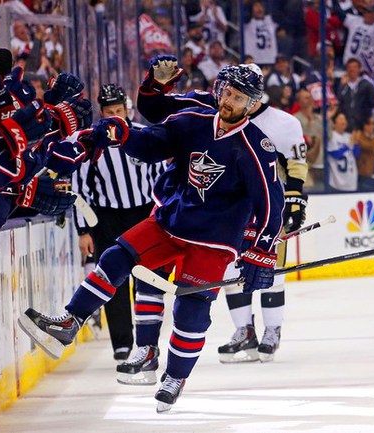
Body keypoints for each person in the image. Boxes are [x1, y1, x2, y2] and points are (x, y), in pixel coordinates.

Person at [19, 64, 284, 412]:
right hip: (171, 222)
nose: (229, 101)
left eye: (239, 98)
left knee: (191, 309)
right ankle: (71, 321)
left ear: (251, 105)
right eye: (228, 93)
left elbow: (271, 204)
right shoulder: (193, 121)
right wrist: (123, 133)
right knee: (115, 257)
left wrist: (261, 250)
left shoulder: (256, 146)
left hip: (214, 242)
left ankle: (175, 376)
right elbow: (152, 143)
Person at [131, 57, 307, 365]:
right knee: (228, 272)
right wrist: (154, 87)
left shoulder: (283, 123)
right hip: (223, 213)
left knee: (268, 270)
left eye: (243, 92)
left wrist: (294, 201)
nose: (233, 96)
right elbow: (156, 110)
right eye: (230, 89)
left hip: (262, 209)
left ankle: (272, 329)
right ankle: (244, 330)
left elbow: (295, 165)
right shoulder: (208, 106)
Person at [72, 84, 166, 362]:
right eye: (109, 111)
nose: (115, 116)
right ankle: (122, 343)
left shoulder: (144, 135)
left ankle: (147, 341)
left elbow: (162, 178)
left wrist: (163, 217)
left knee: (147, 280)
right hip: (107, 219)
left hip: (145, 216)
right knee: (112, 279)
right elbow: (80, 189)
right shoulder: (91, 141)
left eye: (119, 110)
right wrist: (83, 230)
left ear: (127, 110)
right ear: (101, 112)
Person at [327, 112, 359, 192]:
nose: (343, 121)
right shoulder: (332, 136)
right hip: (337, 182)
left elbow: (356, 154)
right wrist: (348, 146)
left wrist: (356, 143)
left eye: (344, 119)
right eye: (340, 119)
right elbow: (335, 155)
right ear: (335, 123)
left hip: (351, 181)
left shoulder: (349, 136)